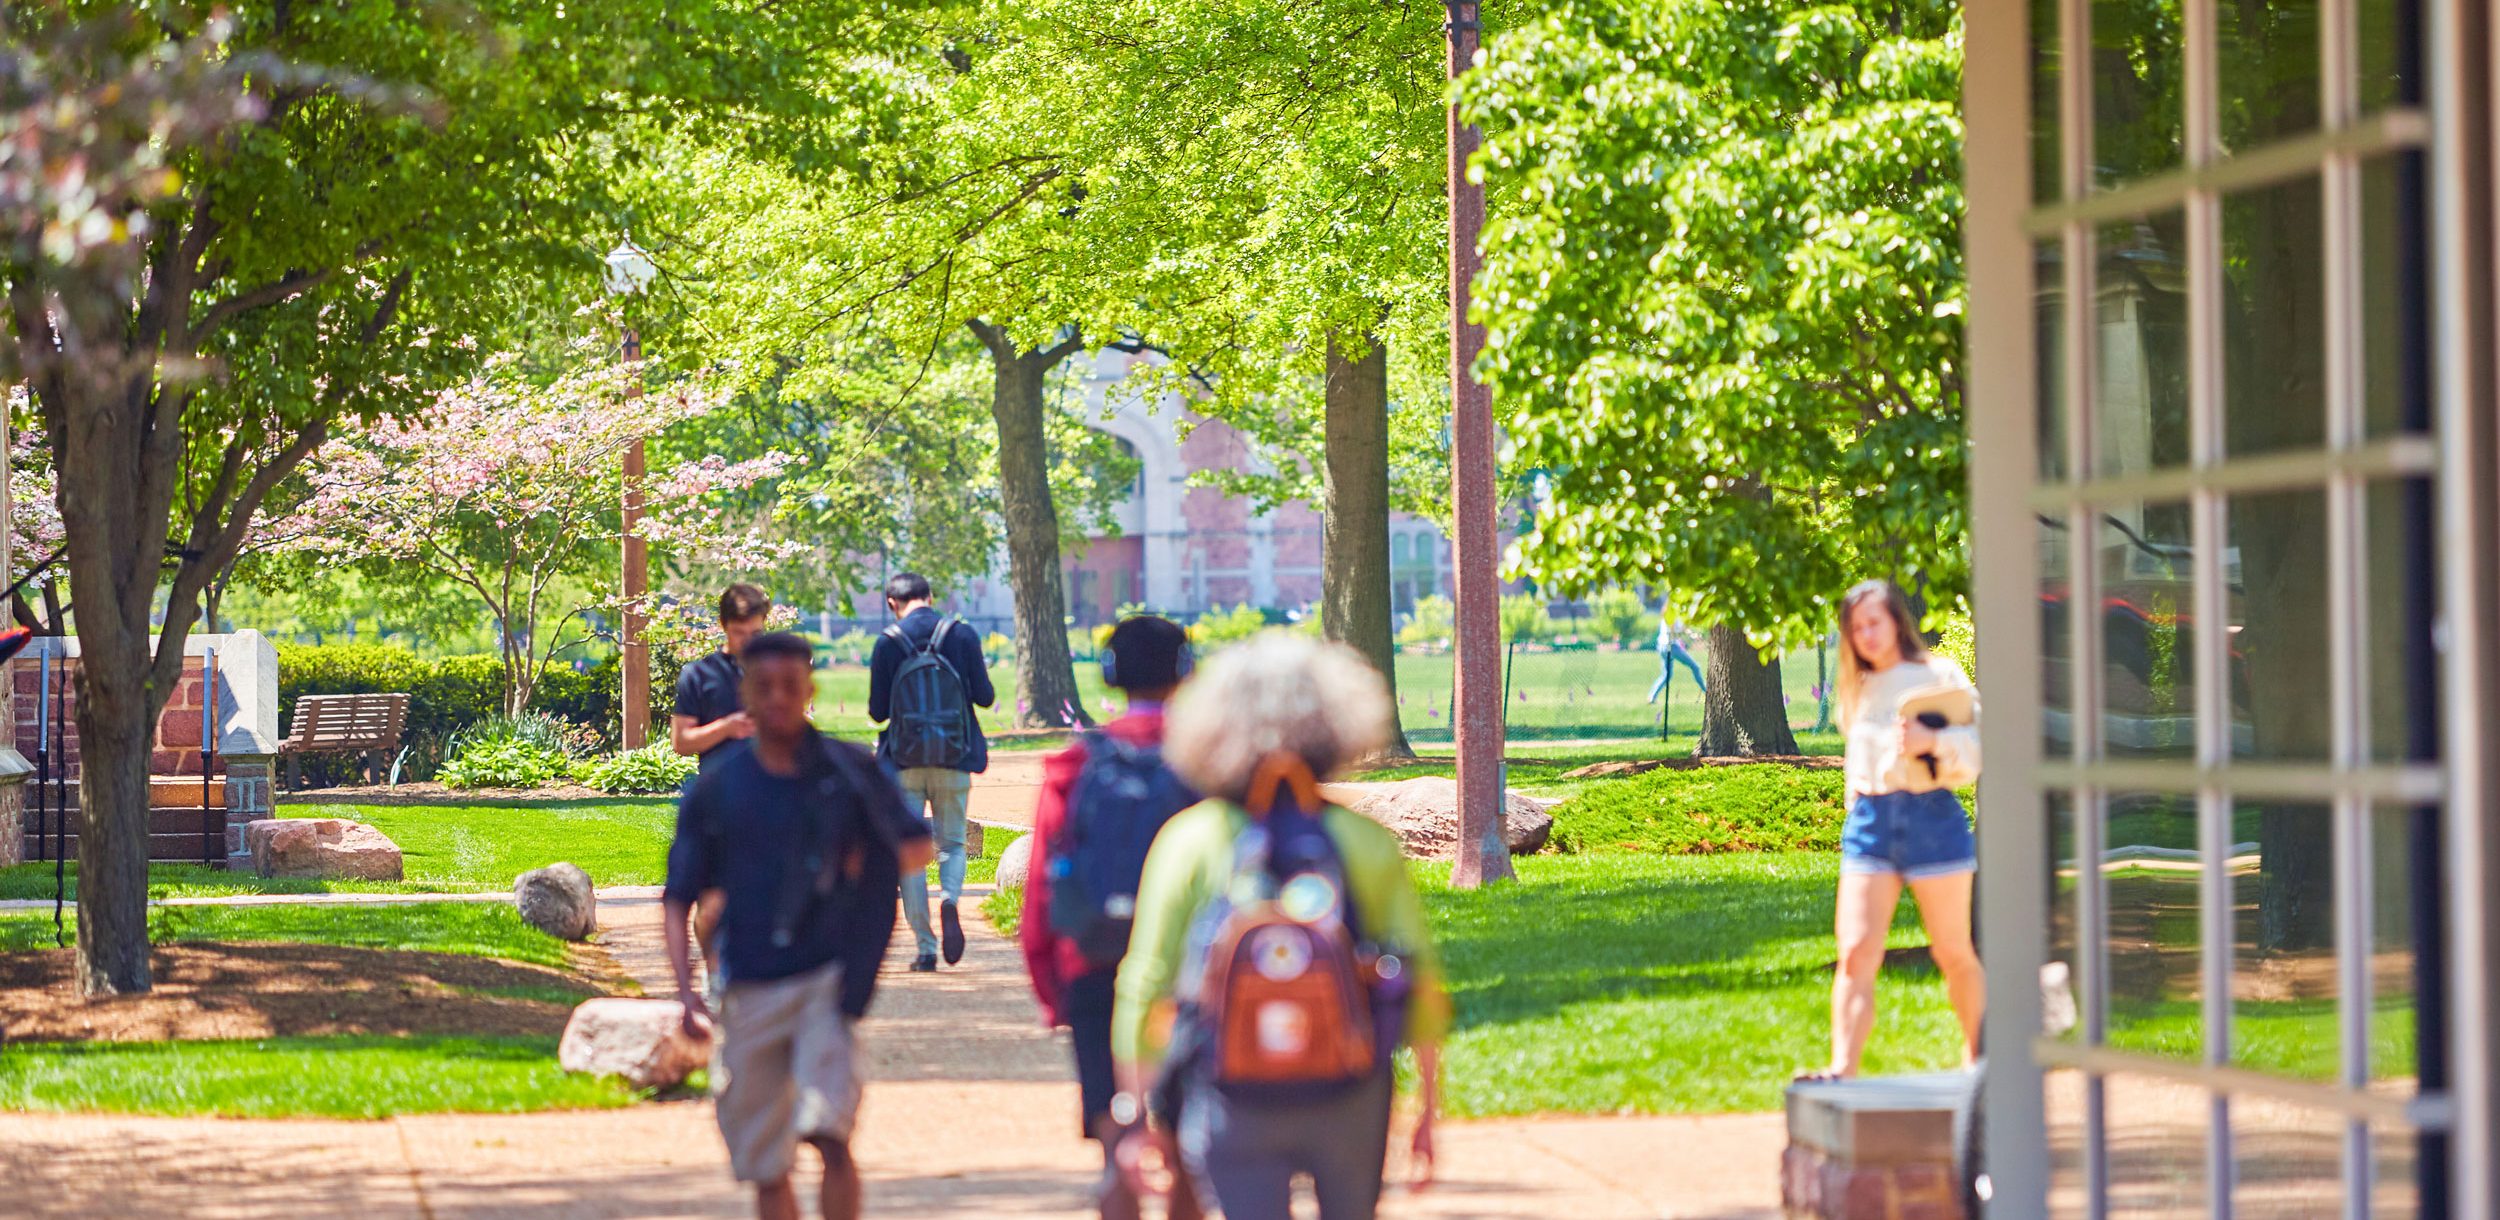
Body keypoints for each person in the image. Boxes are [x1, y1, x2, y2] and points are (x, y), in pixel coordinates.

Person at [1112, 633, 1449, 1220]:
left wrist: (1138, 1114)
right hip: (1350, 1088)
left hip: (1229, 1091)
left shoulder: (1189, 841)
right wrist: (1427, 1108)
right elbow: (1417, 980)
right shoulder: (1366, 843)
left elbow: (1146, 983)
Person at [663, 631, 936, 1220]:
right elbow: (678, 896)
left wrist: (860, 859)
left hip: (827, 980)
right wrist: (687, 992)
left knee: (829, 1131)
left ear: (809, 690)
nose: (780, 698)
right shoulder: (718, 787)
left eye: (792, 686)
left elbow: (917, 848)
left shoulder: (850, 771)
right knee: (766, 1163)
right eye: (766, 688)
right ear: (746, 696)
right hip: (749, 984)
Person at [1021, 615, 1206, 1220]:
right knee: (1185, 1145)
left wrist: (1055, 990)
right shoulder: (1210, 763)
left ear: (1111, 675)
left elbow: (1043, 889)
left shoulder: (1076, 765)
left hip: (1095, 958)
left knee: (1115, 1137)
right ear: (1186, 670)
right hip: (1190, 971)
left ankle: (1117, 1182)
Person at [1808, 578, 1985, 1080]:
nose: (1865, 634)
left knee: (1952, 950)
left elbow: (1977, 750)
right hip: (1872, 823)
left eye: (1874, 622)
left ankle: (1978, 1060)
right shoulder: (1856, 687)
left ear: (1894, 622)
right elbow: (1856, 761)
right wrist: (1853, 811)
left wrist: (1935, 739)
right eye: (1855, 627)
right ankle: (1843, 1067)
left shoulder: (1938, 674)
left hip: (1933, 816)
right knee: (1857, 952)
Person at [866, 571, 996, 972]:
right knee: (953, 843)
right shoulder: (961, 634)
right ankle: (952, 900)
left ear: (892, 602)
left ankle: (924, 947)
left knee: (910, 855)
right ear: (931, 595)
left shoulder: (888, 642)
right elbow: (986, 698)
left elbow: (877, 712)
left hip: (904, 761)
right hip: (954, 757)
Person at [672, 583, 773, 772]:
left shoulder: (775, 672)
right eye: (739, 633)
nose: (748, 642)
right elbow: (680, 743)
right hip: (719, 793)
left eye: (755, 633)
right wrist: (726, 728)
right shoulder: (699, 674)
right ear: (723, 625)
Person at [1647, 608, 1706, 704]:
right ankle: (1707, 692)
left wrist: (1693, 635)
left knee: (1667, 675)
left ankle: (1652, 697)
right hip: (1671, 646)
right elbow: (1674, 632)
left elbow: (1682, 629)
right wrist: (1690, 636)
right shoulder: (1671, 616)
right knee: (1695, 667)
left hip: (1662, 646)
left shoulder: (1670, 616)